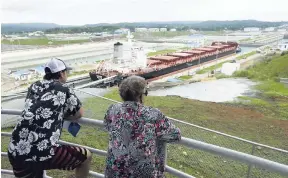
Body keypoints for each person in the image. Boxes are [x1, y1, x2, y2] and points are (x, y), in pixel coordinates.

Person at [8, 58, 92, 178]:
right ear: (61, 73)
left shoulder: (34, 86)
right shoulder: (64, 89)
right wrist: (63, 114)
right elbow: (79, 113)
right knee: (86, 157)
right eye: (66, 72)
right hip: (41, 152)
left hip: (15, 150)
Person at [104, 75, 181, 178]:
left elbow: (107, 125)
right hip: (142, 173)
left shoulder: (112, 109)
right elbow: (176, 135)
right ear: (141, 95)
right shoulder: (153, 114)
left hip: (114, 172)